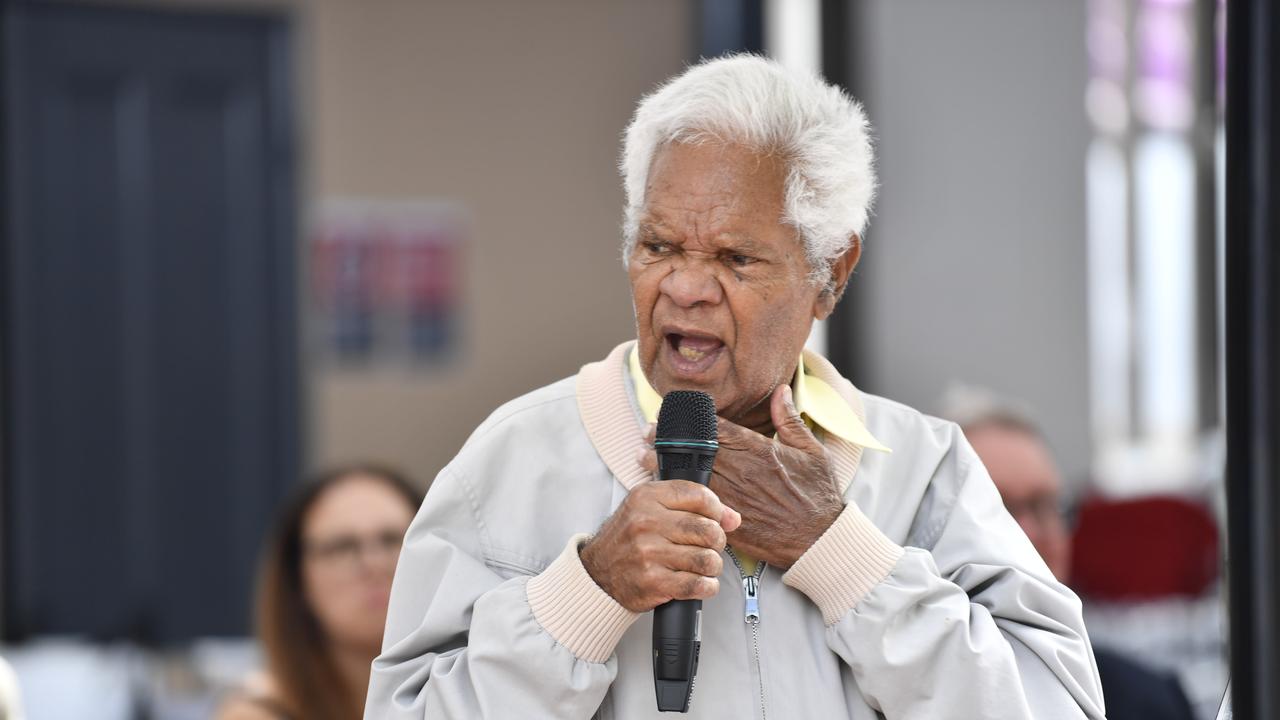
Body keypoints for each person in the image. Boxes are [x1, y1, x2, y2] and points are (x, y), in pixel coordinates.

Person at [366, 54, 1106, 719]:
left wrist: (835, 548)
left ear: (831, 274)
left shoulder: (923, 467)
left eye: (735, 258)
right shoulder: (510, 461)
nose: (685, 288)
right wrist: (587, 594)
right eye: (658, 246)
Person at [945, 390, 1196, 720]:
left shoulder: (1147, 701)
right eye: (997, 507)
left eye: (1044, 504)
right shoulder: (886, 698)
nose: (1030, 533)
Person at [218, 465, 422, 720]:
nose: (375, 563)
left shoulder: (471, 689)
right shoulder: (260, 713)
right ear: (297, 580)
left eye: (393, 540)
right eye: (342, 547)